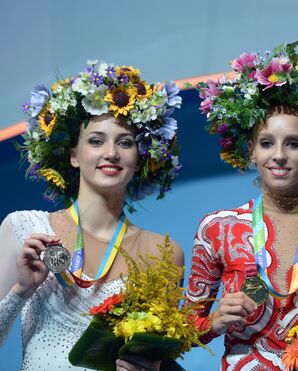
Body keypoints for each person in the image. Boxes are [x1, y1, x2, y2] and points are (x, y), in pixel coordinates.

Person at [187, 42, 298, 370]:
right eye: (267, 143)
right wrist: (215, 322)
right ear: (251, 151)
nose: (279, 155)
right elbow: (182, 331)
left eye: (293, 144)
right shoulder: (217, 229)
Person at [0, 61, 183, 371]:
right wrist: (21, 291)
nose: (110, 153)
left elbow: (156, 359)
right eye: (96, 141)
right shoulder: (22, 227)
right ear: (73, 155)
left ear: (139, 160)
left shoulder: (165, 254)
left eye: (125, 142)